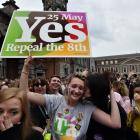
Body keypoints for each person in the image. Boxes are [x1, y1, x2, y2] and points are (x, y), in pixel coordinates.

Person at [20, 56, 121, 140]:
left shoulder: (88, 107)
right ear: (67, 85)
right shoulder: (54, 100)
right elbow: (24, 93)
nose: (77, 91)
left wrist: (110, 91)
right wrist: (25, 69)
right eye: (74, 86)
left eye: (81, 88)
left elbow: (115, 123)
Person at [85, 73, 127, 140]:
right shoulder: (88, 104)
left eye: (86, 87)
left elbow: (117, 126)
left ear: (95, 89)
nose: (83, 89)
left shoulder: (114, 108)